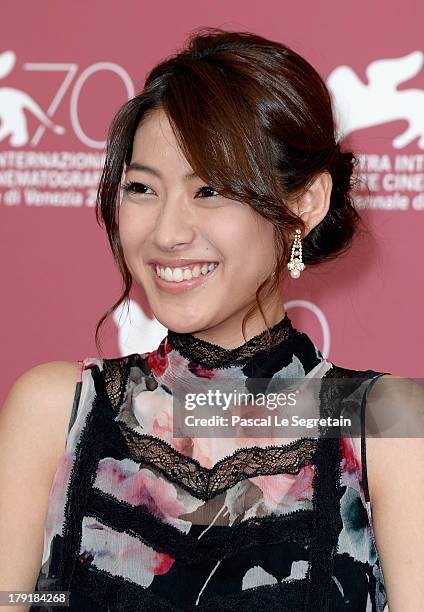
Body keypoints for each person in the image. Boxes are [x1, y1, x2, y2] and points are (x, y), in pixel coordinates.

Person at [1, 27, 423, 612]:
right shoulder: (57, 412)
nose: (167, 232)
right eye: (143, 188)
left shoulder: (390, 426)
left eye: (210, 191)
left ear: (305, 204)